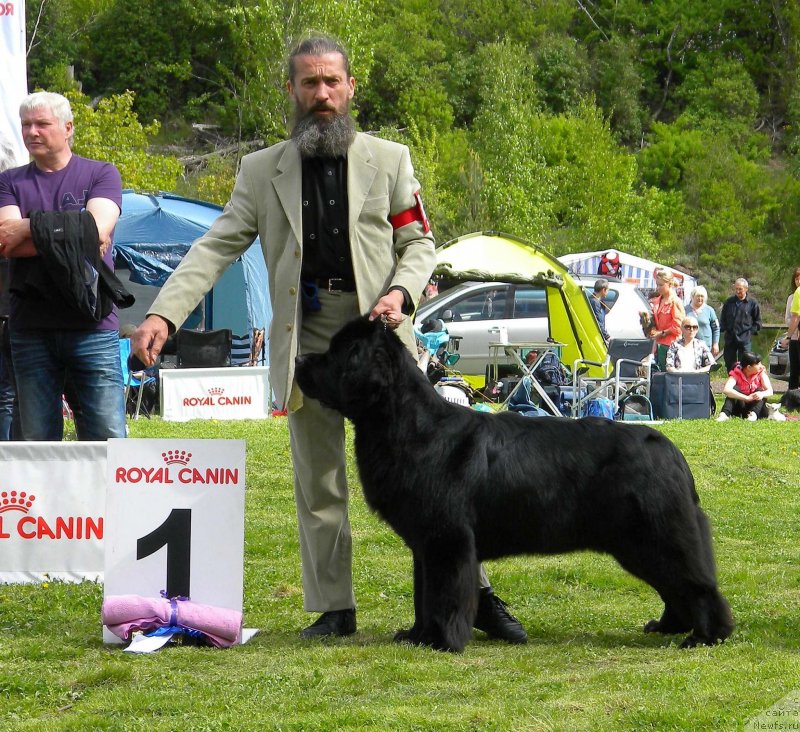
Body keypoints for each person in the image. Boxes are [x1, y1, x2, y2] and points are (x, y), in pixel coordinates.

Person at [132, 35, 526, 644]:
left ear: (350, 88)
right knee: (319, 479)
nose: (322, 94)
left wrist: (401, 293)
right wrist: (164, 314)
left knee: (438, 477)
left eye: (331, 82)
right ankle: (334, 608)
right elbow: (214, 247)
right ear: (291, 89)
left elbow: (418, 242)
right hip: (306, 334)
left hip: (380, 333)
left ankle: (474, 598)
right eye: (309, 82)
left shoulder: (390, 160)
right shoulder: (259, 170)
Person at [0, 91, 126, 441]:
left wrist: (29, 227)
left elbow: (96, 231)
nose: (32, 132)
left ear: (68, 128)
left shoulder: (101, 173)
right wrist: (73, 233)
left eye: (42, 124)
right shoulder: (9, 181)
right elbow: (8, 242)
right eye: (26, 124)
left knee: (108, 440)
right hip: (31, 327)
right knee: (36, 444)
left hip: (93, 325)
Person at [716, 352, 778, 421]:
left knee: (760, 390)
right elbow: (727, 390)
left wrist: (761, 394)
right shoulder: (736, 373)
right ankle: (724, 414)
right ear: (749, 367)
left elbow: (770, 391)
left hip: (757, 408)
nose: (761, 366)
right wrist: (746, 398)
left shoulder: (761, 373)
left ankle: (753, 415)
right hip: (741, 407)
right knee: (734, 389)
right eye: (758, 364)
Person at [719, 278, 761, 373]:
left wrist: (750, 333)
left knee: (745, 364)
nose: (738, 291)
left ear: (746, 289)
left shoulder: (753, 304)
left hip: (745, 340)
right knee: (729, 363)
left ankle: (743, 381)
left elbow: (758, 322)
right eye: (736, 289)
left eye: (740, 289)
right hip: (730, 339)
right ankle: (732, 380)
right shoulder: (729, 302)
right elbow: (723, 319)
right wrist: (724, 328)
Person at [649, 268, 685, 371]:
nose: (658, 288)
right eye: (657, 285)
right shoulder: (657, 300)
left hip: (671, 346)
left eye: (661, 285)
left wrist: (662, 333)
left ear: (670, 284)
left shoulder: (675, 302)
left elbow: (678, 327)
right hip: (658, 345)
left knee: (668, 375)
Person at [779, 267, 800, 390]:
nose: (798, 281)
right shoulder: (793, 296)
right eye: (796, 279)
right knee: (794, 369)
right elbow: (789, 318)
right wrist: (791, 333)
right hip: (794, 337)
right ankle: (791, 394)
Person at [686, 285, 720, 358]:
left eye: (702, 296)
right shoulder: (685, 309)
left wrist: (715, 344)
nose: (700, 298)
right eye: (698, 296)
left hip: (706, 346)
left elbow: (716, 328)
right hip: (689, 346)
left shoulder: (710, 310)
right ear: (692, 296)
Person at [589, 278, 610, 342]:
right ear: (603, 290)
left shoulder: (598, 301)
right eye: (608, 290)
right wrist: (607, 336)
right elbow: (598, 321)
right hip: (594, 337)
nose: (608, 292)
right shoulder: (594, 302)